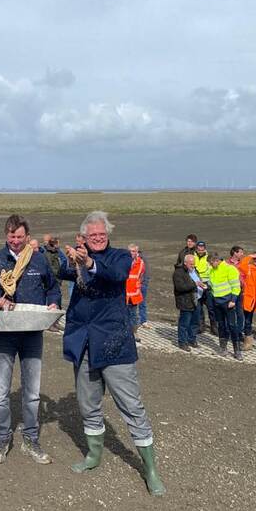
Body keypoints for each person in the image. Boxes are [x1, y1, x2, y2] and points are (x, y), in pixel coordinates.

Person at [59, 211, 165, 496]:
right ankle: (93, 456)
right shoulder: (78, 258)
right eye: (92, 235)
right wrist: (63, 255)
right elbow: (61, 271)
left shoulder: (120, 257)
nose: (97, 238)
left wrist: (89, 262)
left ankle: (150, 469)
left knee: (132, 406)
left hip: (114, 344)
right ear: (83, 237)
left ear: (107, 235)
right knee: (88, 404)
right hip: (83, 343)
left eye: (102, 234)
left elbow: (115, 275)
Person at [0, 214, 60, 465]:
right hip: (3, 335)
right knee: (1, 393)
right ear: (6, 235)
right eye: (11, 236)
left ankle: (31, 439)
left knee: (32, 393)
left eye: (20, 237)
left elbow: (53, 287)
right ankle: (2, 439)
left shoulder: (38, 259)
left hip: (32, 334)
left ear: (27, 237)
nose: (15, 241)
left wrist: (54, 302)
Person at [208, 253, 242, 358]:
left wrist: (233, 300)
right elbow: (213, 286)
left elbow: (236, 286)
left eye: (211, 263)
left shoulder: (229, 269)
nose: (210, 265)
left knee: (232, 326)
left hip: (228, 302)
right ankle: (223, 348)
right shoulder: (212, 270)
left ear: (216, 261)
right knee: (221, 326)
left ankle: (237, 351)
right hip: (217, 303)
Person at [173, 254, 201, 352]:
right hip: (185, 301)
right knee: (184, 323)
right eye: (191, 264)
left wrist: (202, 284)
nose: (193, 266)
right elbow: (180, 287)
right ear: (185, 263)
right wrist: (194, 284)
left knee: (195, 322)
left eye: (194, 264)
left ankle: (191, 339)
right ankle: (182, 342)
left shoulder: (194, 271)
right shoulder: (178, 273)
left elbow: (198, 281)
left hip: (196, 300)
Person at [193, 241, 216, 335]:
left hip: (208, 285)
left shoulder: (209, 258)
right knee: (198, 307)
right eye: (199, 249)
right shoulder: (192, 257)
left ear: (205, 249)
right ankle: (200, 326)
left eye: (202, 249)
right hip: (196, 285)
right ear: (196, 249)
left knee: (211, 307)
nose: (200, 251)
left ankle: (214, 327)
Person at [125, 244, 145, 342]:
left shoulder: (140, 263)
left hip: (134, 294)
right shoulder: (122, 261)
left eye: (133, 251)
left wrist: (138, 284)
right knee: (123, 315)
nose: (131, 253)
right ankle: (124, 332)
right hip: (123, 294)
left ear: (137, 252)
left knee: (134, 315)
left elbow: (141, 275)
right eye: (130, 251)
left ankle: (134, 333)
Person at [138, 249, 150, 327]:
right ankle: (142, 320)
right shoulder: (133, 260)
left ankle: (143, 320)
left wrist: (142, 282)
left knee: (142, 303)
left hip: (142, 284)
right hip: (138, 284)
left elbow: (145, 273)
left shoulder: (142, 260)